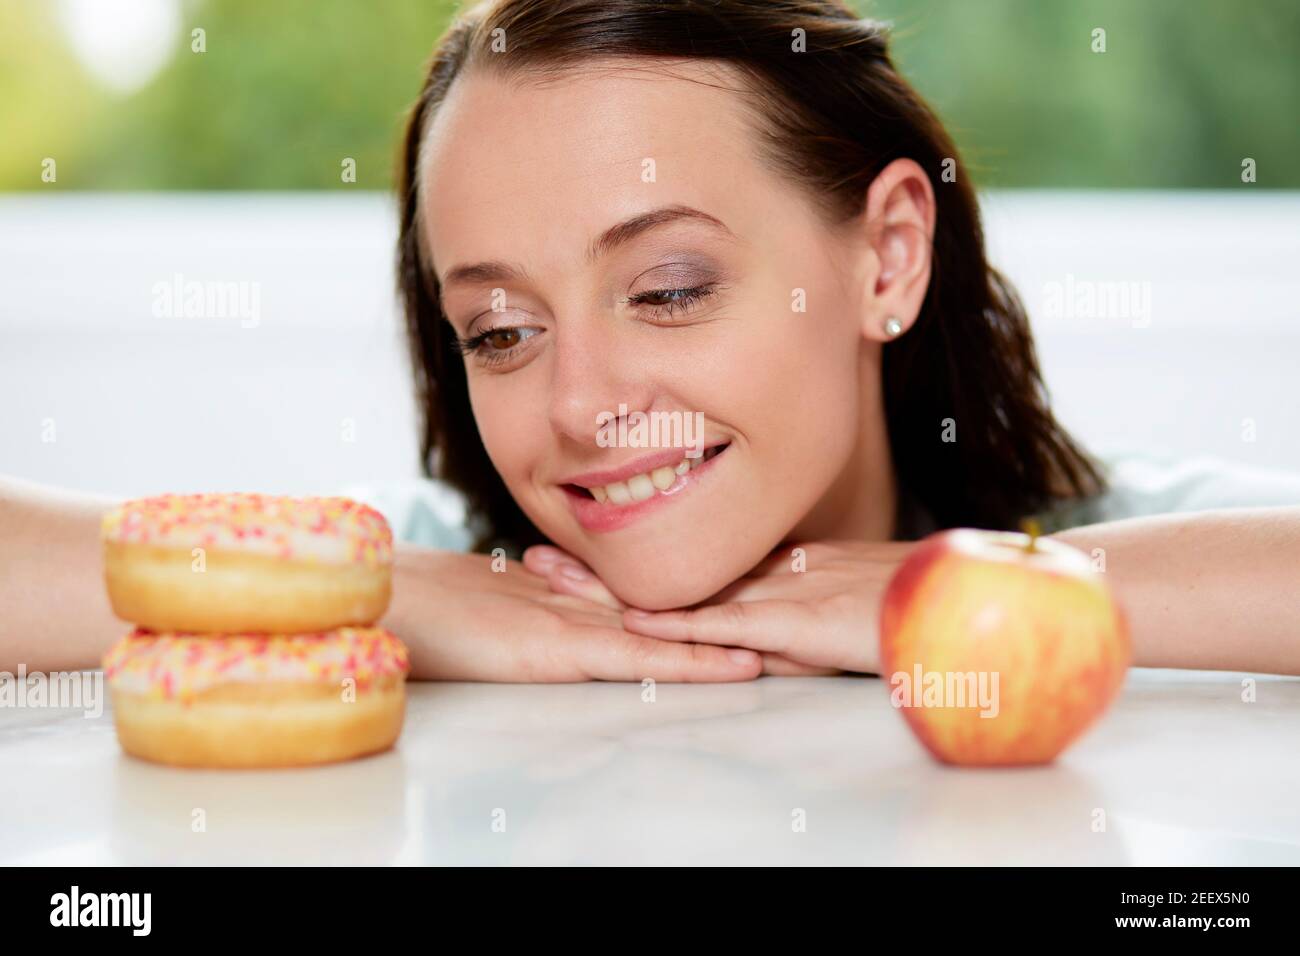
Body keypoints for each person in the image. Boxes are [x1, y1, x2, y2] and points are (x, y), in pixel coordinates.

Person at [3, 0, 1298, 680]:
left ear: (888, 255)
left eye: (670, 289)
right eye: (500, 329)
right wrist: (384, 597)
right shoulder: (461, 571)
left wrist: (972, 601)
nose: (580, 403)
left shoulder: (1083, 547)